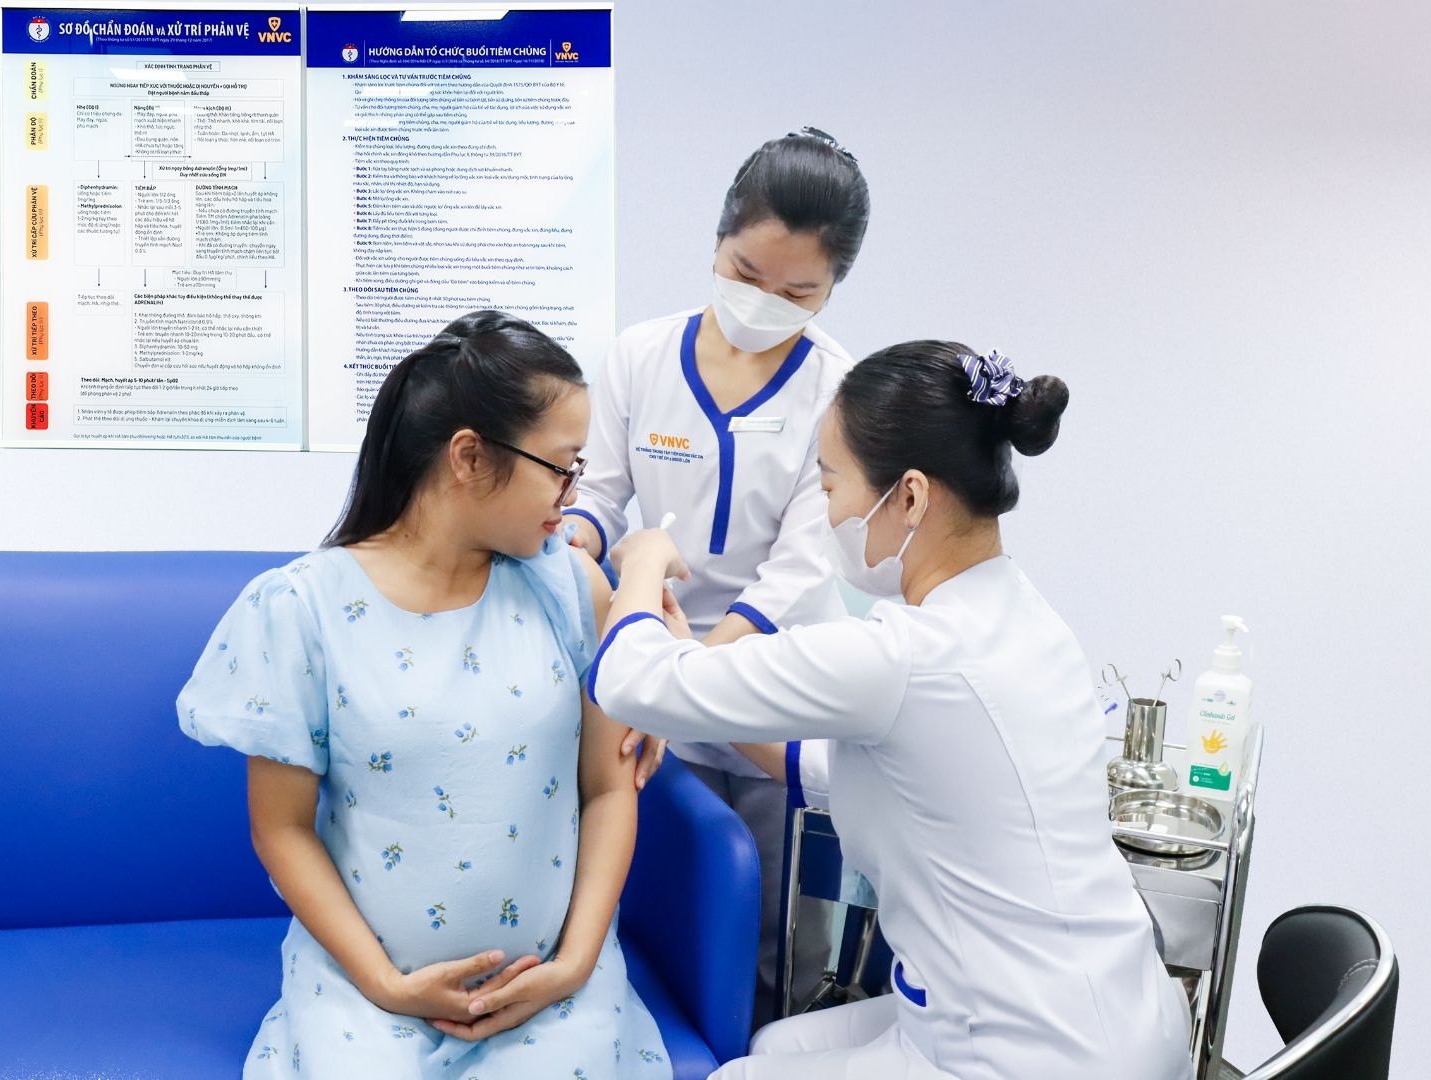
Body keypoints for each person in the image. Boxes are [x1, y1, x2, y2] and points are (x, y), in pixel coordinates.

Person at [587, 341, 1193, 1079]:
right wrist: (697, 672)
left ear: (908, 496)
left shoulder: (902, 655)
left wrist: (644, 559)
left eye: (829, 485)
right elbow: (866, 769)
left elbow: (627, 680)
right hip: (1117, 1010)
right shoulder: (1022, 616)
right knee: (775, 1047)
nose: (827, 511)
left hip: (1029, 1052)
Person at [177, 312, 670, 1079]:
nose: (571, 496)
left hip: (552, 985)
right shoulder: (300, 608)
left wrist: (574, 964)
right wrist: (385, 984)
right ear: (468, 456)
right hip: (367, 989)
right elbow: (282, 829)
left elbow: (608, 788)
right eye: (559, 467)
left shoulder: (571, 587)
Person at [564, 127, 870, 1015]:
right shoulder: (640, 356)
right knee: (662, 902)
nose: (764, 302)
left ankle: (768, 1049)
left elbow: (801, 562)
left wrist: (694, 671)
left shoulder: (837, 390)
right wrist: (570, 549)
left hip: (771, 680)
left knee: (776, 928)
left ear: (832, 286)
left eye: (797, 292)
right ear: (716, 241)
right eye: (745, 272)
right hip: (651, 666)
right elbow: (599, 496)